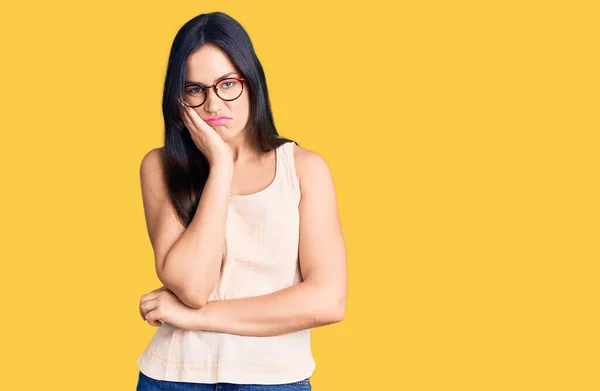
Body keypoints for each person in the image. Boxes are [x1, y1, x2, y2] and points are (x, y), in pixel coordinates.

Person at [136, 11, 347, 390]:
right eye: (196, 89)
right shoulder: (161, 166)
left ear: (252, 83)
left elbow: (327, 301)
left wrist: (195, 318)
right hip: (174, 377)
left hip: (274, 381)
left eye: (227, 84)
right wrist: (220, 165)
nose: (214, 106)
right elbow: (193, 287)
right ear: (179, 98)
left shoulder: (303, 169)